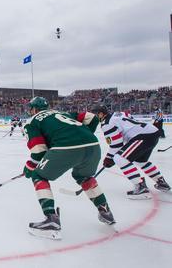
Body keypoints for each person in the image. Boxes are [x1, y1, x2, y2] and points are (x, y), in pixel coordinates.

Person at [23, 97, 115, 240]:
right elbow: (91, 117)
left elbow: (39, 151)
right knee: (84, 177)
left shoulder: (32, 121)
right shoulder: (63, 113)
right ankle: (105, 211)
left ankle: (51, 219)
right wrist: (84, 134)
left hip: (66, 147)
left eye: (30, 108)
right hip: (93, 146)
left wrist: (29, 167)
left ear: (34, 109)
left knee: (38, 176)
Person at [92, 105, 170, 199]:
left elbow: (116, 145)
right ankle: (161, 182)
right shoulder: (118, 114)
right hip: (152, 132)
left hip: (142, 136)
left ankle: (140, 187)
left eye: (95, 114)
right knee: (140, 161)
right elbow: (130, 119)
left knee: (119, 158)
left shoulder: (107, 124)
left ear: (101, 114)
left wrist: (108, 159)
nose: (94, 117)